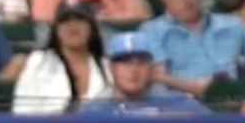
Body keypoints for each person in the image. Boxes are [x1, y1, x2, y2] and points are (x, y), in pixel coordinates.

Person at [80, 32, 210, 115]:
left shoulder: (182, 105)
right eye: (125, 62)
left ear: (152, 67)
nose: (134, 70)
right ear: (111, 68)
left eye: (141, 62)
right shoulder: (93, 111)